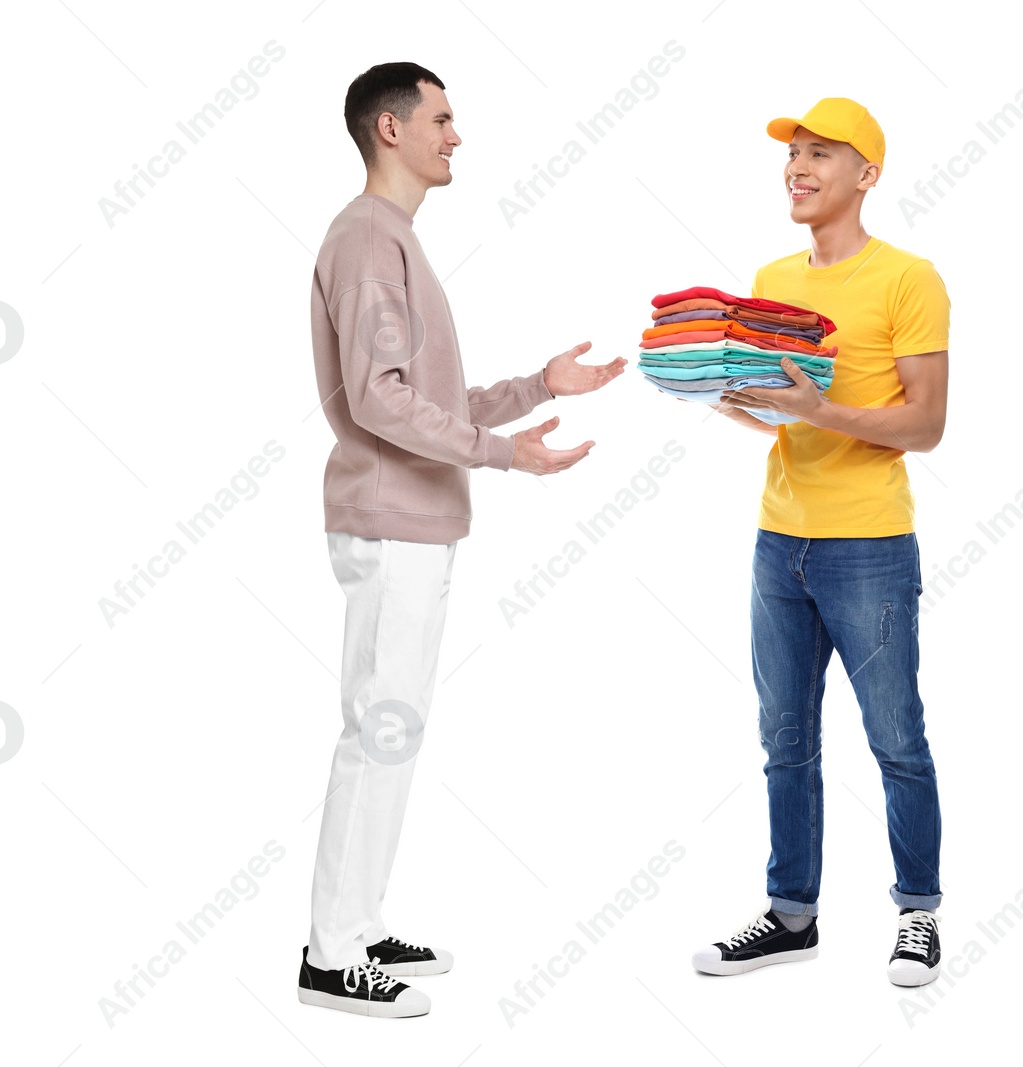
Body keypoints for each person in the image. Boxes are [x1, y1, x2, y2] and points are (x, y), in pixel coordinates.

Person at [298, 61, 625, 1018]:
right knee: (377, 730)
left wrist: (535, 388)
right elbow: (379, 401)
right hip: (392, 523)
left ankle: (355, 925)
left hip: (417, 522)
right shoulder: (366, 240)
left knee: (392, 730)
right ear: (388, 129)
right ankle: (331, 955)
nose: (456, 134)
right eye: (441, 118)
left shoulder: (391, 240)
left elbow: (424, 401)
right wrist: (502, 454)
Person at [690, 98, 951, 987]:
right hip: (780, 543)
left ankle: (918, 913)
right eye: (792, 155)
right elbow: (786, 420)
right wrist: (741, 406)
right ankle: (789, 913)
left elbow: (927, 423)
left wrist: (813, 408)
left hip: (868, 545)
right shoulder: (770, 276)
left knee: (897, 739)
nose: (797, 169)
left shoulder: (909, 279)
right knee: (785, 740)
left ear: (866, 176)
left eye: (820, 155)